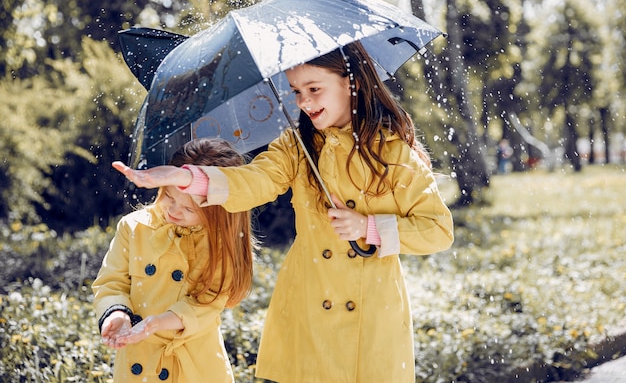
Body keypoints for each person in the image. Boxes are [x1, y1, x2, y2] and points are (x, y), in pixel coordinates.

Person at [113, 41, 454, 383]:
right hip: (310, 300)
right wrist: (185, 177)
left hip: (374, 311)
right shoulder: (296, 146)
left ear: (353, 82)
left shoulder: (392, 151)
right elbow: (253, 180)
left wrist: (369, 227)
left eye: (314, 89)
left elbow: (438, 229)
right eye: (296, 91)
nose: (304, 102)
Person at [93, 138, 256, 383]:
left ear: (217, 210)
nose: (174, 211)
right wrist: (117, 314)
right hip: (140, 359)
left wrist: (157, 323)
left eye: (189, 209)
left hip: (194, 367)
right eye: (169, 196)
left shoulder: (220, 244)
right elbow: (110, 283)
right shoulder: (134, 227)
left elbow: (207, 304)